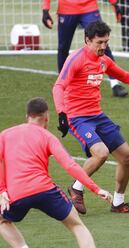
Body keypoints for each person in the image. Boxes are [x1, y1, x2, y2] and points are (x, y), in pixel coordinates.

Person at [52, 20, 129, 215]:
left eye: (106, 42)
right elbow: (58, 86)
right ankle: (76, 188)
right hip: (77, 117)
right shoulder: (76, 59)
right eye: (99, 42)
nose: (103, 46)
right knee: (101, 153)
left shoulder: (104, 61)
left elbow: (124, 76)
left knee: (127, 157)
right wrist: (62, 114)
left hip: (97, 115)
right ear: (87, 40)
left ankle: (118, 203)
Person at [0, 97, 112, 248]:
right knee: (77, 226)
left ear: (27, 116)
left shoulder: (5, 135)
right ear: (47, 117)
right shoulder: (48, 137)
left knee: (3, 221)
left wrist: (2, 191)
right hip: (45, 190)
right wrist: (96, 189)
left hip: (16, 193)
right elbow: (70, 165)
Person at [42, 0, 129, 97]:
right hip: (66, 10)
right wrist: (45, 10)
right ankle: (62, 86)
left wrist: (115, 4)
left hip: (89, 8)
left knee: (103, 46)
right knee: (63, 49)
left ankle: (115, 84)